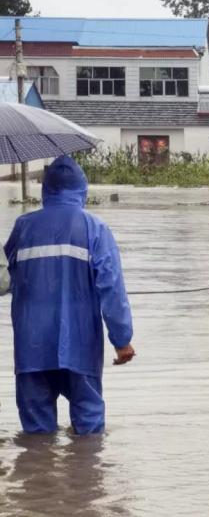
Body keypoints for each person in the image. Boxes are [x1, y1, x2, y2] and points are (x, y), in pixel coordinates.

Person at [3, 155, 135, 435]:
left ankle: (37, 477)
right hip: (80, 345)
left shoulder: (23, 227)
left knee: (36, 437)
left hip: (31, 347)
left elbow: (3, 278)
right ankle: (86, 476)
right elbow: (112, 288)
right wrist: (121, 340)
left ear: (45, 190)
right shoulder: (95, 229)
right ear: (82, 189)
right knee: (89, 432)